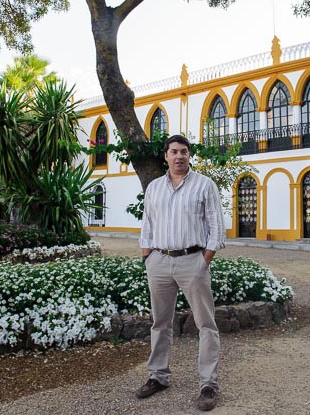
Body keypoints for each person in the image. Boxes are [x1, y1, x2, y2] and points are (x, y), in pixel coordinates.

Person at [136, 134, 226, 411]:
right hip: (159, 262)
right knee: (160, 323)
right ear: (165, 156)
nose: (179, 156)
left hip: (192, 261)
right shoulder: (153, 187)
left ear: (189, 156)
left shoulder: (204, 185)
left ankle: (208, 384)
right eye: (174, 151)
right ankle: (158, 376)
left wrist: (204, 259)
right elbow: (147, 224)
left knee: (206, 324)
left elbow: (216, 225)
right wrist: (148, 256)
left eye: (184, 152)